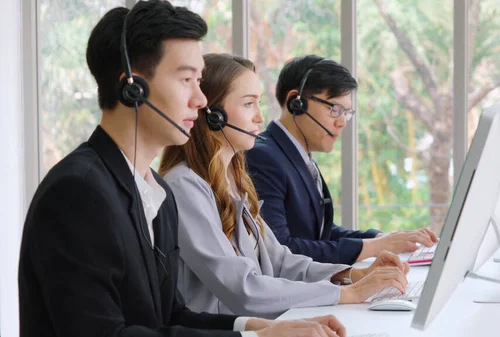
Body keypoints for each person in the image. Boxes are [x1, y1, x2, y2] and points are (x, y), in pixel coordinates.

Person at [18, 2, 346, 337]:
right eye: (187, 79)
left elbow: (171, 316)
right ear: (133, 88)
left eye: (200, 81)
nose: (201, 100)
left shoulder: (155, 192)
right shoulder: (78, 192)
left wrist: (256, 327)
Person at [159, 53, 410, 319]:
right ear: (213, 115)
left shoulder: (234, 180)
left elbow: (280, 262)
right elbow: (243, 289)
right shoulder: (184, 186)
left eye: (259, 103)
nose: (259, 117)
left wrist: (352, 275)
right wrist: (347, 294)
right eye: (248, 104)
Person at [245, 55, 439, 265]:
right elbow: (282, 249)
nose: (342, 122)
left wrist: (379, 239)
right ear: (296, 102)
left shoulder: (295, 154)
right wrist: (374, 247)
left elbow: (319, 234)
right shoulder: (262, 156)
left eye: (346, 113)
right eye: (335, 109)